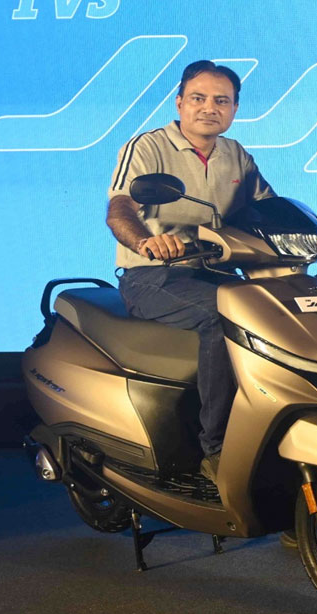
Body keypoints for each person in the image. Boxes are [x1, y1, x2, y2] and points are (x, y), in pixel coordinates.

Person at [105, 60, 274, 482]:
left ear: (235, 108)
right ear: (179, 102)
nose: (209, 108)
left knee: (280, 310)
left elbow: (270, 210)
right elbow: (120, 208)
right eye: (198, 98)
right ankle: (217, 449)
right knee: (224, 315)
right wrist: (145, 241)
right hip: (154, 277)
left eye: (222, 100)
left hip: (218, 275)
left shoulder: (236, 155)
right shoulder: (149, 146)